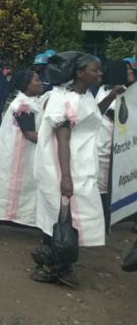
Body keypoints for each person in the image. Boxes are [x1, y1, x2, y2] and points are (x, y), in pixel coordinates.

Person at [32, 51, 118, 287]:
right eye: (94, 69)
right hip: (61, 165)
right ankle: (51, 266)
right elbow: (62, 137)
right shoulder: (66, 99)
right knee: (60, 217)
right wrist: (66, 177)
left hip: (79, 163)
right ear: (80, 73)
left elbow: (90, 116)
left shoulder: (84, 95)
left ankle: (57, 265)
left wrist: (111, 96)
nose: (99, 73)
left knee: (66, 217)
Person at [0, 70, 45, 240]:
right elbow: (29, 133)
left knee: (12, 189)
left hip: (18, 155)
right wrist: (56, 142)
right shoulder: (23, 106)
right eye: (37, 80)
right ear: (26, 86)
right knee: (5, 189)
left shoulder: (29, 102)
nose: (40, 82)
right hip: (15, 157)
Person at [94, 59, 134, 220]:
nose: (131, 72)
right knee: (103, 186)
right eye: (127, 69)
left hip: (115, 150)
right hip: (104, 149)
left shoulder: (122, 92)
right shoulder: (107, 94)